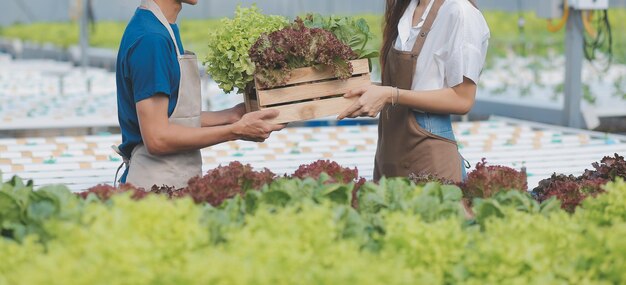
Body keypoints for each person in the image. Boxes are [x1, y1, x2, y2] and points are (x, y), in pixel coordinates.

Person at [114, 0, 284, 189]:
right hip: (152, 188)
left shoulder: (161, 28)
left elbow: (172, 117)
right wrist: (236, 130)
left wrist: (232, 116)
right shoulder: (151, 39)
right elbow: (157, 138)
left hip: (168, 182)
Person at [338, 0, 489, 183]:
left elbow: (462, 99)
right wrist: (371, 92)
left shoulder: (459, 11)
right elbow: (413, 85)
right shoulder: (406, 9)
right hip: (389, 153)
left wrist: (390, 95)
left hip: (428, 154)